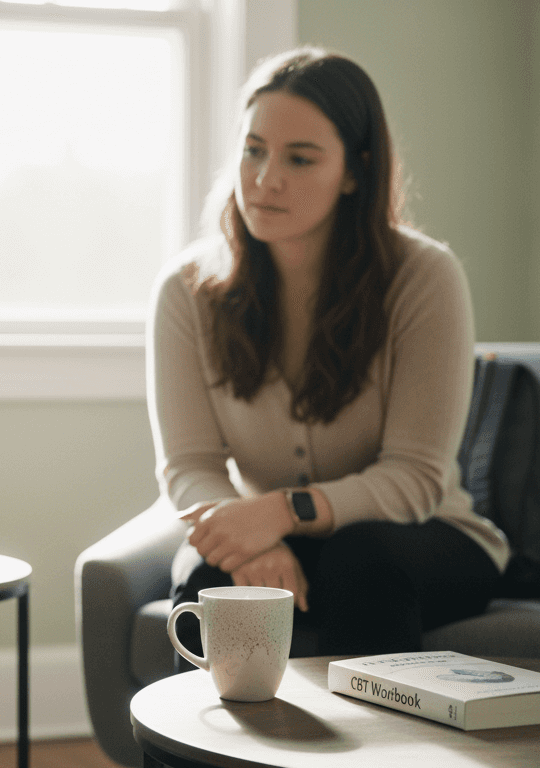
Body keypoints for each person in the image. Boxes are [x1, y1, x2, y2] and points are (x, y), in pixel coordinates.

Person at [149, 47, 510, 661]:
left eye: (299, 158)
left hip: (422, 534)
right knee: (210, 579)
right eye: (253, 150)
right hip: (266, 528)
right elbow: (188, 465)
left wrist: (282, 513)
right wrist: (251, 538)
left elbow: (417, 478)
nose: (265, 178)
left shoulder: (424, 277)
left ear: (354, 172)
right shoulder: (186, 291)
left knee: (359, 558)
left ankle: (375, 729)